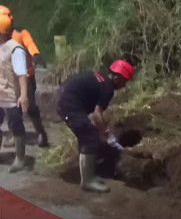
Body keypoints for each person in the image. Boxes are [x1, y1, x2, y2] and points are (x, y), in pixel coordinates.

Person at [55, 60, 134, 192]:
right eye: (124, 81)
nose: (124, 85)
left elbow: (96, 113)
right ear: (117, 78)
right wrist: (107, 134)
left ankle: (88, 176)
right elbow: (97, 115)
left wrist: (102, 129)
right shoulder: (108, 88)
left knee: (87, 134)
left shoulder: (101, 78)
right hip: (69, 103)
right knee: (90, 139)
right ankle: (87, 181)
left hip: (64, 98)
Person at [0, 5, 49, 147]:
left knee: (30, 106)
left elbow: (30, 44)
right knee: (11, 109)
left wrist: (36, 55)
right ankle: (15, 135)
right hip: (8, 79)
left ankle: (41, 133)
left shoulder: (20, 33)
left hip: (26, 77)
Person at [0, 14, 29, 173]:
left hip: (11, 97)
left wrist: (23, 95)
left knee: (16, 126)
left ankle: (20, 159)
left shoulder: (15, 49)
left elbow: (21, 74)